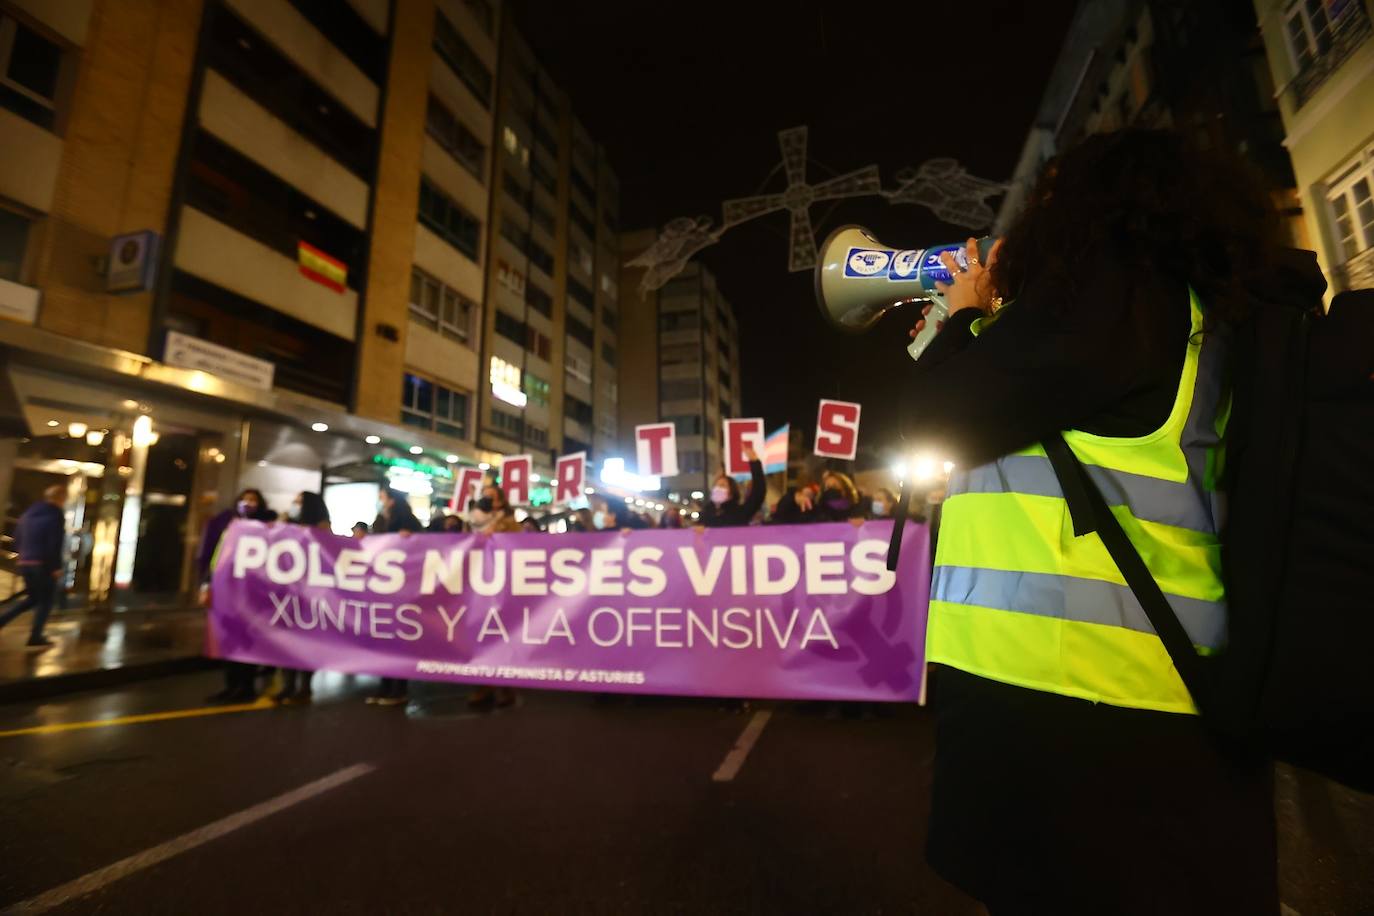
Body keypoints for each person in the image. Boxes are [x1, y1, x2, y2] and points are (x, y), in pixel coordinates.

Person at [904, 130, 1302, 914]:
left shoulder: (1113, 291)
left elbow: (936, 416)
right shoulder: (1196, 311)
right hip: (1163, 704)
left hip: (1074, 719)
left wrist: (961, 317)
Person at [202, 488, 277, 703]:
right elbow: (219, 557)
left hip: (250, 595)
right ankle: (231, 685)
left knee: (246, 641)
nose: (247, 503)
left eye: (252, 499)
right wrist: (208, 583)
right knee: (228, 640)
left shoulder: (266, 528)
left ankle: (245, 687)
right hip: (228, 592)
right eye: (244, 499)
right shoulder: (231, 527)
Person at [368, 486, 423, 707]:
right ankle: (384, 686)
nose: (380, 501)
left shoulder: (408, 521)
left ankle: (398, 689)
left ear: (391, 500)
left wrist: (412, 538)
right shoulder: (381, 519)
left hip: (402, 590)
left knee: (399, 641)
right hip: (383, 589)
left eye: (382, 497)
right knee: (384, 641)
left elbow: (425, 548)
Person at [275, 492, 331, 706]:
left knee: (305, 642)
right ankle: (287, 685)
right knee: (285, 641)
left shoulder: (322, 527)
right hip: (287, 592)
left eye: (298, 502)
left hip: (310, 595)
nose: (294, 505)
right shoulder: (288, 524)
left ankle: (304, 687)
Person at [467, 484, 520, 710]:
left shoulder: (509, 521)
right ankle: (485, 685)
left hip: (503, 585)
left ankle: (506, 686)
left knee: (501, 635)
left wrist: (497, 532)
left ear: (500, 501)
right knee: (481, 634)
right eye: (484, 497)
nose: (487, 501)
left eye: (491, 498)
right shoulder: (474, 519)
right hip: (480, 583)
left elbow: (518, 544)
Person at [0, 485, 66, 648]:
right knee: (46, 600)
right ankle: (36, 636)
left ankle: (2, 621)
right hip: (43, 564)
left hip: (25, 562)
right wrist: (55, 567)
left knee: (33, 598)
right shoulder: (56, 514)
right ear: (61, 497)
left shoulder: (29, 513)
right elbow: (54, 542)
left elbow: (17, 538)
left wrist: (24, 555)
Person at [700, 446, 765, 527]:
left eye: (723, 485)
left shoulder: (740, 512)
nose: (718, 488)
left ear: (731, 493)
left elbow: (758, 492)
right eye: (716, 485)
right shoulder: (706, 513)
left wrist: (755, 463)